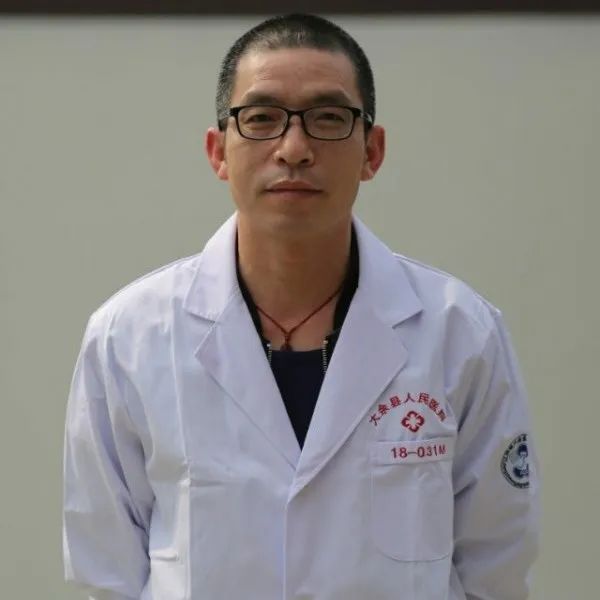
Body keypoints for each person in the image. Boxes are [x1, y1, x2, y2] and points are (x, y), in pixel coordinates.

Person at [63, 13, 540, 600]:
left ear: (372, 151)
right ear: (218, 151)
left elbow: (496, 565)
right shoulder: (128, 337)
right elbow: (106, 570)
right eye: (261, 118)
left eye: (328, 119)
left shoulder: (461, 332)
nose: (294, 149)